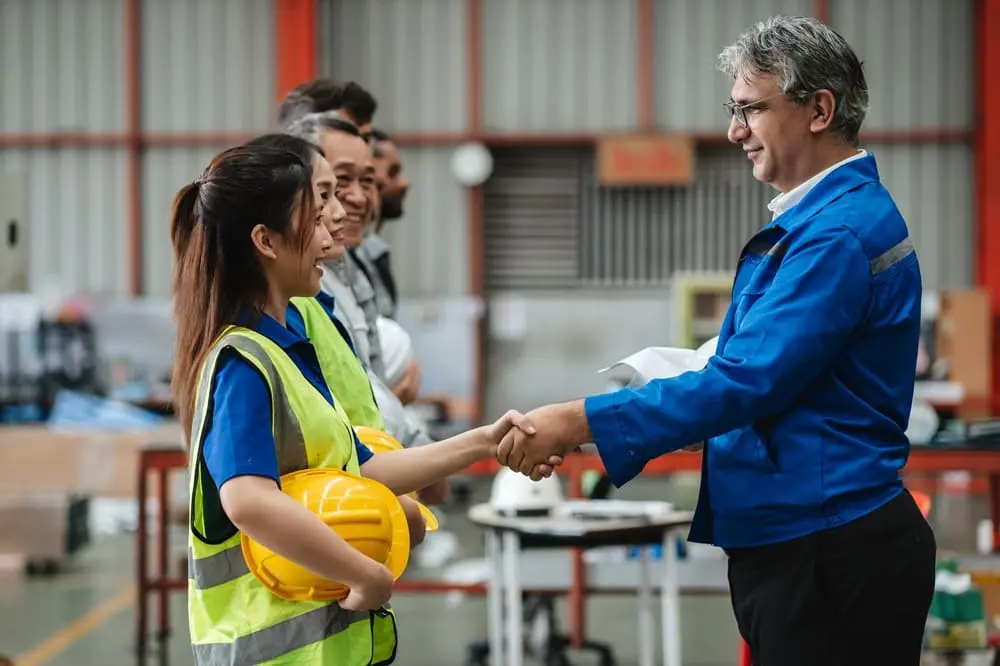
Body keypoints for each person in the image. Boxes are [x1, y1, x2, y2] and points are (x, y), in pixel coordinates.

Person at [496, 15, 936, 666]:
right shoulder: (822, 223)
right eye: (732, 110)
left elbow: (748, 381)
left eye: (750, 110)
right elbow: (756, 368)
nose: (734, 131)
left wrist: (577, 420)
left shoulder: (833, 235)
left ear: (819, 109)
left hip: (828, 550)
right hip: (807, 538)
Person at [172, 140, 539, 664]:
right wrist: (363, 572)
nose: (332, 238)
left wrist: (483, 440)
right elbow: (248, 500)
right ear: (266, 241)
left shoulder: (289, 346)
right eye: (317, 218)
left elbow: (363, 468)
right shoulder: (242, 362)